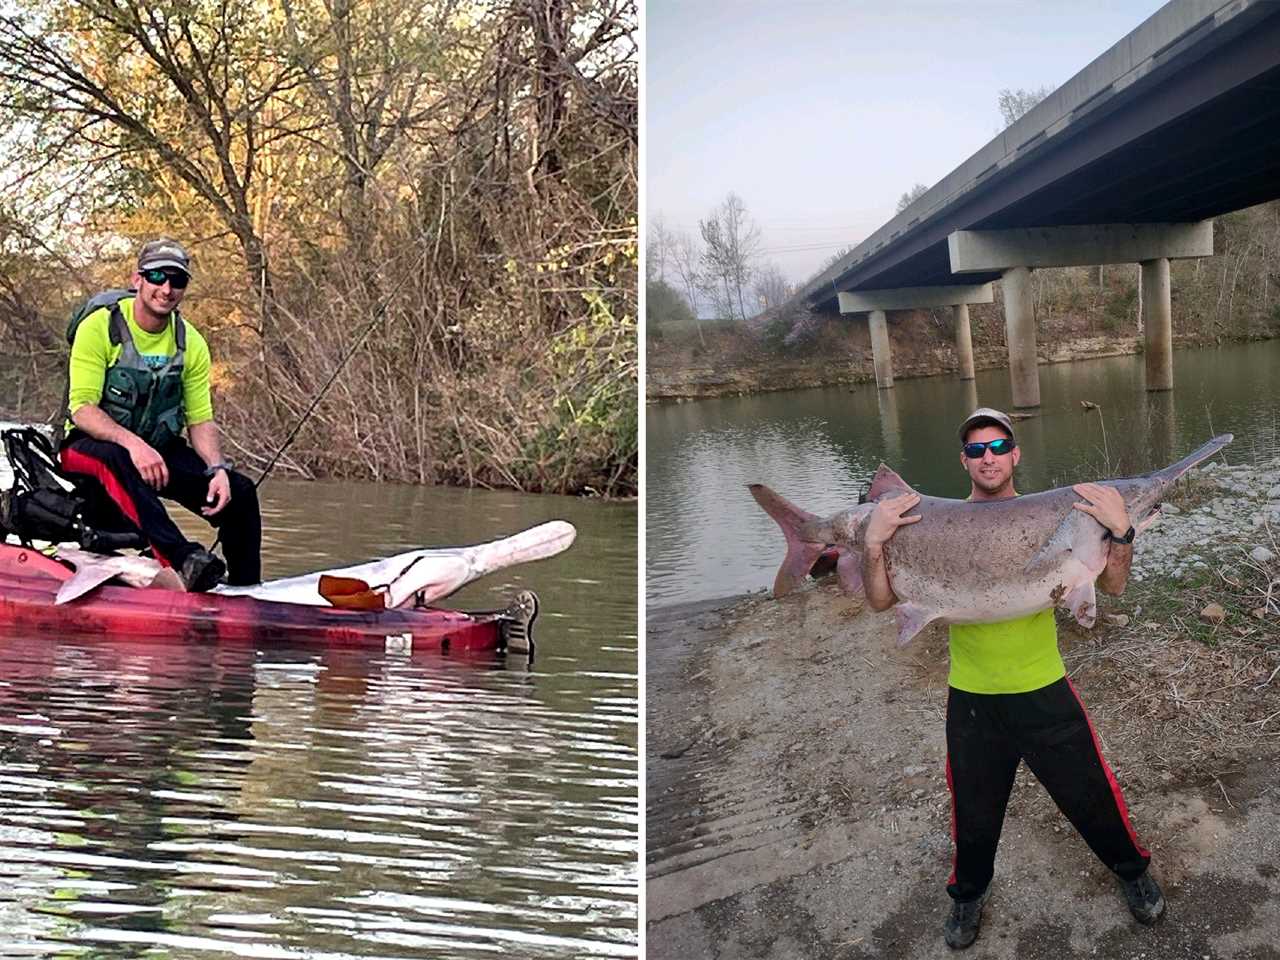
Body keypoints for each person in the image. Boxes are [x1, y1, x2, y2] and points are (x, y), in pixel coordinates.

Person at [860, 407, 1163, 950]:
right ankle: (968, 895)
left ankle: (1132, 872)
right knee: (974, 812)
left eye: (998, 446)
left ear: (1015, 453)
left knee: (1092, 795)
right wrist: (873, 542)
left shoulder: (1059, 514)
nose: (989, 457)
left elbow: (1112, 587)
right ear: (964, 461)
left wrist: (1123, 530)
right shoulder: (923, 522)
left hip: (1043, 687)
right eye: (976, 450)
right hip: (972, 696)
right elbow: (881, 600)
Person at [60, 238, 261, 591]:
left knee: (240, 492)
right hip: (87, 447)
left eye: (177, 281)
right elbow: (82, 409)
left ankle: (249, 593)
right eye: (156, 277)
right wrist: (134, 445)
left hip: (157, 451)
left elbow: (200, 419)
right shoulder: (99, 329)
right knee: (115, 456)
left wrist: (217, 470)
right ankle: (184, 559)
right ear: (138, 279)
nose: (166, 289)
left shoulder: (192, 343)